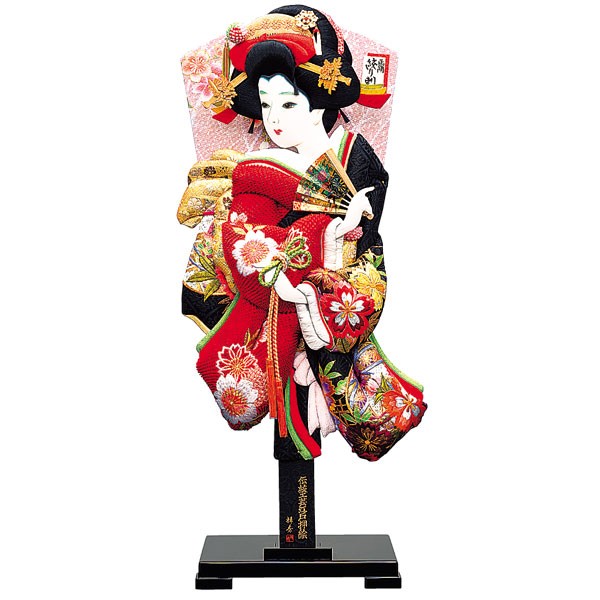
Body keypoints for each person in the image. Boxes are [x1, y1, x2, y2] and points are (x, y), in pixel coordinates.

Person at [183, 5, 426, 461]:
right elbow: (242, 238)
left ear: (319, 104)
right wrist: (301, 246)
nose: (274, 118)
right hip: (269, 307)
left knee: (322, 390)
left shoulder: (355, 158)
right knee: (285, 410)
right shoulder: (255, 168)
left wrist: (332, 248)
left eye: (289, 103)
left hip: (329, 305)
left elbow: (364, 249)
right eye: (266, 104)